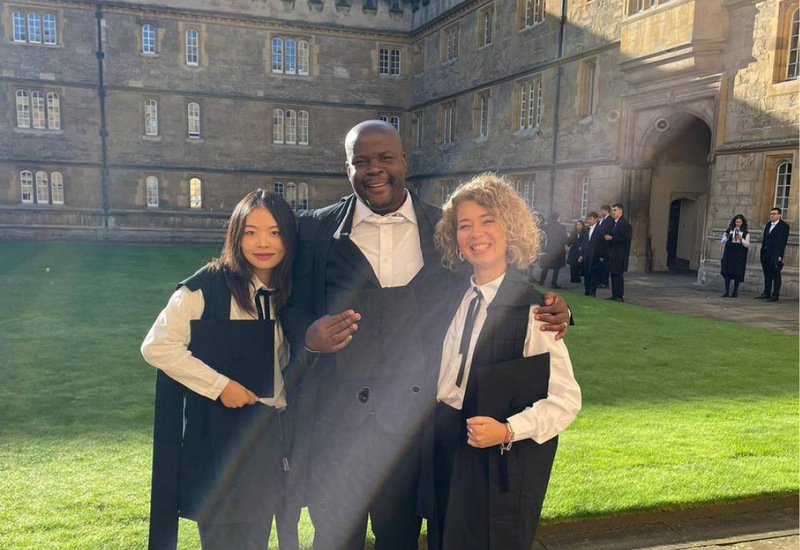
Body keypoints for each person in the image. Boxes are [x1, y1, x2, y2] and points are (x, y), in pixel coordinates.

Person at [281, 120, 572, 550]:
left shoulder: (443, 228)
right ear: (348, 169)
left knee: (400, 538)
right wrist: (308, 336)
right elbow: (287, 305)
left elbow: (492, 280)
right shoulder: (315, 230)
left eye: (385, 158)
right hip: (335, 425)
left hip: (412, 429)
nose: (374, 169)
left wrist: (554, 308)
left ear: (403, 161)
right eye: (361, 161)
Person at [142, 190, 301, 550]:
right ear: (235, 235)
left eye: (275, 232)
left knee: (258, 539)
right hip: (219, 442)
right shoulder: (208, 286)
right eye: (251, 232)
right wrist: (220, 385)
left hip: (269, 438)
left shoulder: (288, 290)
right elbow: (157, 345)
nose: (263, 242)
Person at [431, 173, 581, 550]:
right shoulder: (449, 299)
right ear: (454, 236)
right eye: (464, 225)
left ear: (510, 229)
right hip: (444, 447)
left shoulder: (534, 312)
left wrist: (508, 430)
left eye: (488, 220)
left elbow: (565, 400)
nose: (476, 233)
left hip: (495, 461)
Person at [757, 207, 790, 302]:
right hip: (766, 252)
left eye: (774, 214)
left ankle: (775, 294)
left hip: (775, 253)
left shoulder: (783, 226)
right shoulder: (768, 225)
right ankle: (766, 292)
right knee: (767, 273)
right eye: (771, 214)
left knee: (776, 274)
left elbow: (782, 242)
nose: (771, 216)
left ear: (779, 215)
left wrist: (780, 255)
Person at [603, 203, 632, 302]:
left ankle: (619, 296)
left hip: (620, 254)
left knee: (618, 275)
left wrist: (612, 238)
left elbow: (625, 238)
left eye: (615, 210)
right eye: (612, 210)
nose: (613, 212)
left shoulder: (624, 223)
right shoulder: (616, 223)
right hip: (613, 253)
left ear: (621, 211)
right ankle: (614, 294)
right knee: (613, 274)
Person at [719, 214, 750, 298]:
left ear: (742, 223)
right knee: (727, 271)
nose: (738, 224)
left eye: (740, 222)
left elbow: (747, 244)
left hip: (739, 253)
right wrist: (727, 237)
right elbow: (722, 241)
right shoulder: (729, 230)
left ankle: (735, 291)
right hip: (729, 252)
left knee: (737, 272)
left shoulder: (745, 232)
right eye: (737, 222)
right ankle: (726, 291)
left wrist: (741, 239)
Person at [538, 212, 568, 288]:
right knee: (556, 268)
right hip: (558, 250)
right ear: (557, 218)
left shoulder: (545, 226)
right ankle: (554, 283)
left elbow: (542, 238)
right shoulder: (561, 227)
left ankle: (541, 281)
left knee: (545, 267)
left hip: (547, 249)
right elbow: (564, 239)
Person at [581, 212, 605, 297]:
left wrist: (602, 256)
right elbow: (584, 243)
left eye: (590, 219)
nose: (589, 221)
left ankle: (593, 291)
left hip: (596, 255)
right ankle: (587, 290)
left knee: (594, 274)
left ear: (596, 219)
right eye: (588, 219)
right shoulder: (587, 230)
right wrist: (582, 255)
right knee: (586, 273)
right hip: (587, 255)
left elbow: (603, 244)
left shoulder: (600, 230)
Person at [596, 205, 614, 288]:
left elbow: (605, 231)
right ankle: (599, 280)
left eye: (601, 210)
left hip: (606, 246)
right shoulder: (602, 220)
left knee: (605, 265)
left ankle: (604, 282)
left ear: (606, 211)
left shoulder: (610, 220)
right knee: (600, 264)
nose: (599, 212)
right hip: (600, 245)